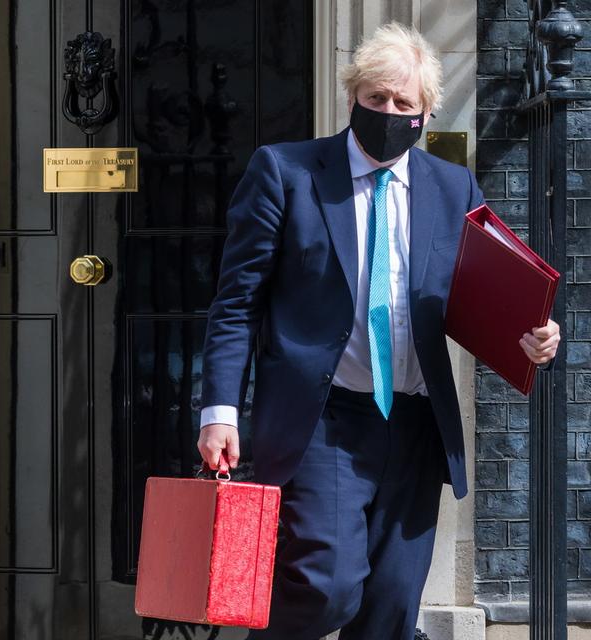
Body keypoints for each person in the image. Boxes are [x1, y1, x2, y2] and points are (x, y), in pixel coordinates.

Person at [197, 22, 560, 640]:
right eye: (375, 98)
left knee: (391, 609)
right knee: (325, 587)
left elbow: (478, 297)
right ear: (352, 97)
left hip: (414, 424)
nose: (387, 112)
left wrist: (534, 336)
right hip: (325, 420)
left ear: (423, 114)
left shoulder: (453, 188)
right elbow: (236, 303)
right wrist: (219, 411)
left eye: (403, 103)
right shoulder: (285, 172)